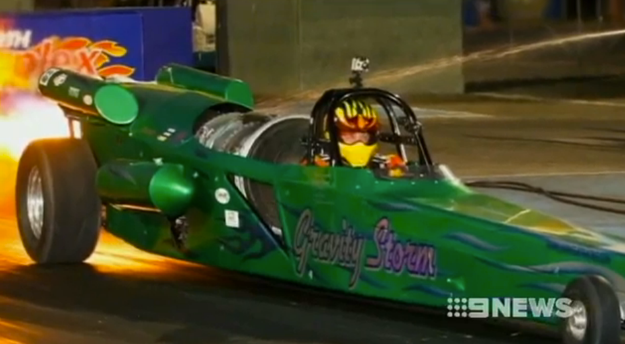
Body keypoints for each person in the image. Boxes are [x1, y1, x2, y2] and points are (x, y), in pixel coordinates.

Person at [304, 99, 407, 176]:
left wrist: (399, 171)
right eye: (350, 135)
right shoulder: (317, 165)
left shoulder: (388, 163)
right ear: (331, 136)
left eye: (364, 135)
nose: (359, 141)